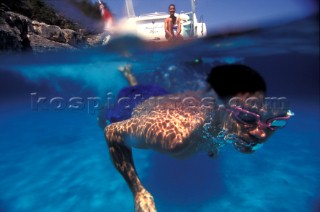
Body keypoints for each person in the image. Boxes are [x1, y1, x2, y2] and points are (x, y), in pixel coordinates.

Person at [101, 64, 293, 211]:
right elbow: (112, 133)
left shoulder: (226, 118)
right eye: (246, 116)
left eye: (259, 113)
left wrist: (213, 146)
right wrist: (138, 191)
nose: (260, 133)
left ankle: (130, 76)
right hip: (132, 105)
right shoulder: (175, 138)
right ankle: (127, 79)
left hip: (162, 97)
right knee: (105, 120)